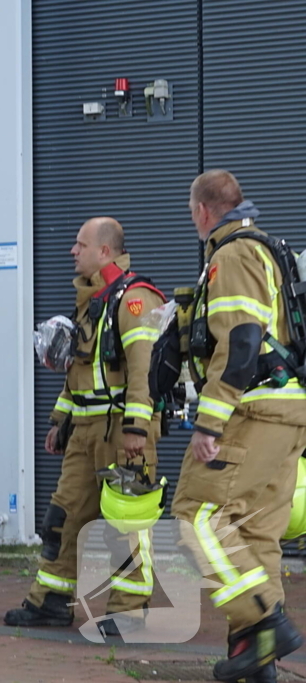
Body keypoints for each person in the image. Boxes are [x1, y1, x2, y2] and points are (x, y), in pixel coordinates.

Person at [172, 170, 306, 683]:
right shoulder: (272, 252)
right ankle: (258, 661)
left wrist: (211, 420)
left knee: (196, 517)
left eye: (191, 217)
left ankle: (265, 622)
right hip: (289, 409)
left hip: (253, 411)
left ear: (204, 211)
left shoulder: (232, 253)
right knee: (255, 533)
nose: (194, 226)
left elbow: (241, 342)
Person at [4, 217, 165, 636]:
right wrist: (60, 420)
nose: (72, 251)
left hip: (122, 433)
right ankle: (52, 602)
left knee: (124, 528)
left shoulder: (135, 300)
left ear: (105, 252)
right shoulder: (93, 301)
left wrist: (136, 428)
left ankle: (129, 613)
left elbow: (142, 371)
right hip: (87, 431)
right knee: (63, 517)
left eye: (80, 244)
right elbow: (79, 374)